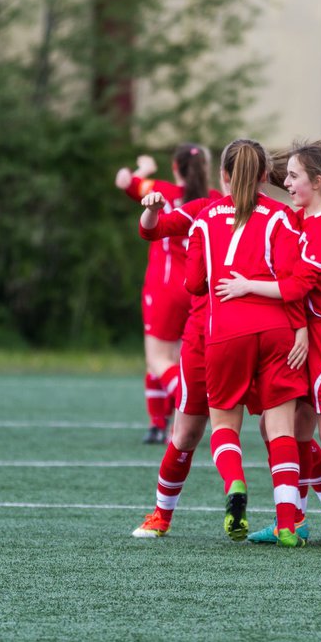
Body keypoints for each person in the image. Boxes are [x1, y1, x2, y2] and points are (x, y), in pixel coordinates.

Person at [217, 143, 321, 548]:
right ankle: (293, 519)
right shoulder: (299, 218)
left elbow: (297, 285)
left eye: (293, 176)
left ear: (318, 182)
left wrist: (246, 285)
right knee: (291, 427)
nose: (285, 183)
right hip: (307, 335)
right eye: (283, 175)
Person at [186, 139, 309, 547]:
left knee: (223, 424)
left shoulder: (204, 218)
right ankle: (287, 522)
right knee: (279, 428)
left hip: (226, 330)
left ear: (223, 173)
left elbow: (193, 283)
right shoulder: (281, 216)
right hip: (277, 330)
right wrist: (302, 329)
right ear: (263, 175)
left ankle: (235, 483)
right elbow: (294, 281)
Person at [130, 186, 219, 538]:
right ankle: (311, 517)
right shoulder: (279, 214)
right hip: (268, 328)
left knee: (187, 427)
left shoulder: (205, 207)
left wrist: (138, 175)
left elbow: (148, 223)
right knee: (279, 429)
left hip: (208, 321)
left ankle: (161, 517)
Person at [114, 145, 210, 443]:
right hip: (197, 286)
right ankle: (160, 425)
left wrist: (143, 167)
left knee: (157, 359)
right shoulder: (214, 199)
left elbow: (122, 180)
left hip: (165, 285)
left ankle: (187, 403)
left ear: (175, 166)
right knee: (177, 358)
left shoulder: (161, 190)